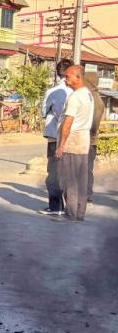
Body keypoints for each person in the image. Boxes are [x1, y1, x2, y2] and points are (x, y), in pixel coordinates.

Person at [54, 65, 95, 222]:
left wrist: (61, 145)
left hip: (73, 142)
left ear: (78, 77)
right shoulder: (87, 94)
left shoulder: (75, 97)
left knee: (70, 180)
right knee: (81, 180)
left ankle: (70, 214)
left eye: (69, 76)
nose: (66, 78)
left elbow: (68, 123)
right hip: (83, 142)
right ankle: (79, 213)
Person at [38, 59, 73, 216]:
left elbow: (43, 112)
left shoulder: (53, 92)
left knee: (53, 173)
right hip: (74, 138)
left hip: (55, 137)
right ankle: (72, 207)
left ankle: (55, 207)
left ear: (57, 73)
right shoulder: (78, 92)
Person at [84, 72, 105, 203]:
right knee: (87, 168)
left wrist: (89, 133)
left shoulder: (93, 99)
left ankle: (86, 193)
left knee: (84, 168)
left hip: (88, 139)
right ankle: (87, 193)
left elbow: (94, 123)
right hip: (91, 139)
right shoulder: (94, 97)